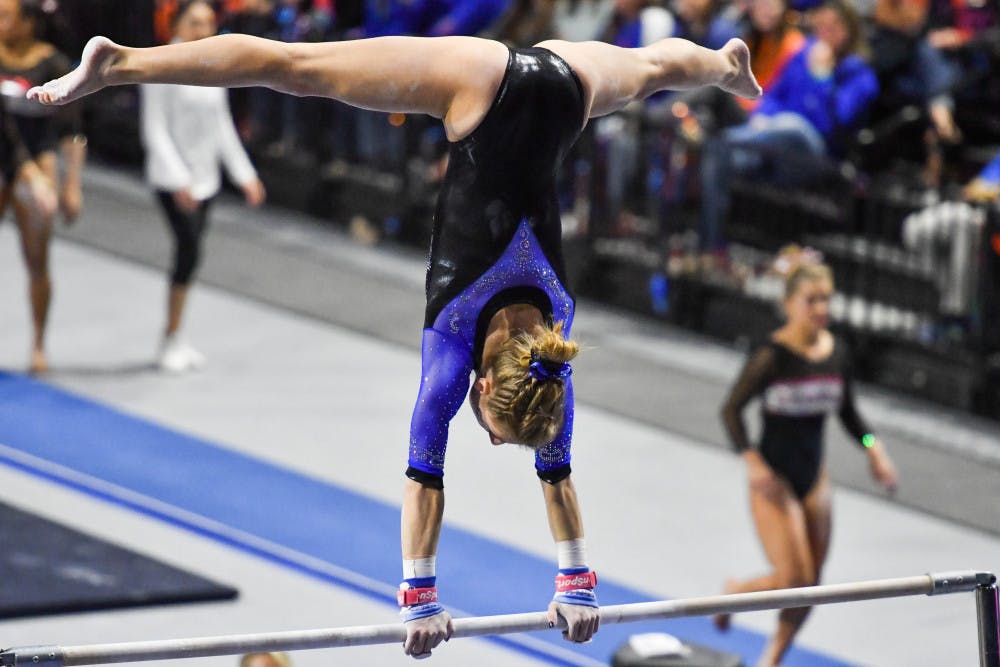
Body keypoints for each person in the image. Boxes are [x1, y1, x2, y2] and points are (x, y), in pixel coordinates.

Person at [28, 27, 761, 658]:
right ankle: (117, 61)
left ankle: (727, 63)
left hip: (564, 88)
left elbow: (553, 474)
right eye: (497, 431)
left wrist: (576, 577)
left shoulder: (549, 366)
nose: (499, 441)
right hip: (481, 90)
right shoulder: (453, 354)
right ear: (481, 389)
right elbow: (428, 481)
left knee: (659, 71)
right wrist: (417, 597)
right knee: (299, 68)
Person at [718, 250, 898, 667]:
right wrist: (752, 460)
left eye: (826, 299)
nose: (821, 309)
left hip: (813, 477)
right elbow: (731, 410)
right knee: (794, 579)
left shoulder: (837, 352)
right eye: (811, 299)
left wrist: (875, 449)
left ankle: (773, 659)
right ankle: (733, 594)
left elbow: (849, 413)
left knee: (811, 583)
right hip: (774, 479)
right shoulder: (772, 356)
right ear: (789, 304)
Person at [141, 0, 266, 373]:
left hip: (206, 180)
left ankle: (177, 337)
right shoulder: (160, 63)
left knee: (191, 258)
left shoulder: (212, 65)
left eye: (209, 23)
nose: (203, 30)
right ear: (177, 24)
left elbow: (222, 125)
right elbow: (155, 129)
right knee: (188, 253)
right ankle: (170, 337)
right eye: (195, 22)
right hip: (173, 181)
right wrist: (179, 180)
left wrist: (245, 175)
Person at [698, 0, 878, 253]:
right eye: (822, 26)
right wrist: (763, 116)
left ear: (849, 31)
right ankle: (710, 246)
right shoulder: (802, 55)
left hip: (816, 155)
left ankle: (728, 138)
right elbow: (772, 96)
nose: (825, 34)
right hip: (772, 145)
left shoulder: (861, 76)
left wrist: (822, 78)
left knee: (790, 124)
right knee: (719, 156)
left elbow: (835, 125)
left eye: (834, 27)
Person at [0, 0, 86, 374]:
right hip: (5, 160)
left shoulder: (53, 64)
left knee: (38, 260)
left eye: (5, 16)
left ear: (29, 22)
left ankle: (38, 343)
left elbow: (73, 131)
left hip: (38, 160)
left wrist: (72, 185)